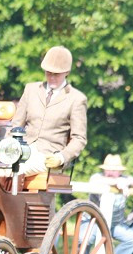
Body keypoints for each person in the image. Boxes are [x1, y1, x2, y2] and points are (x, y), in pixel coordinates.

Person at [9, 46, 87, 176]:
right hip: (22, 150)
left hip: (49, 157)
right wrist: (8, 149)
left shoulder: (76, 99)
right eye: (48, 73)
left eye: (56, 74)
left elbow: (79, 139)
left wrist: (62, 157)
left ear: (67, 72)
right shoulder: (31, 90)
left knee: (16, 170)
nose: (51, 77)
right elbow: (16, 125)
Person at [87, 154, 133, 254]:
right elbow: (94, 181)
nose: (111, 172)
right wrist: (116, 183)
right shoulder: (97, 177)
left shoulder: (125, 179)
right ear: (104, 170)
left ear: (120, 172)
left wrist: (127, 182)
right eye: (108, 169)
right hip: (94, 221)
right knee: (85, 238)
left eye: (114, 170)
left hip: (115, 225)